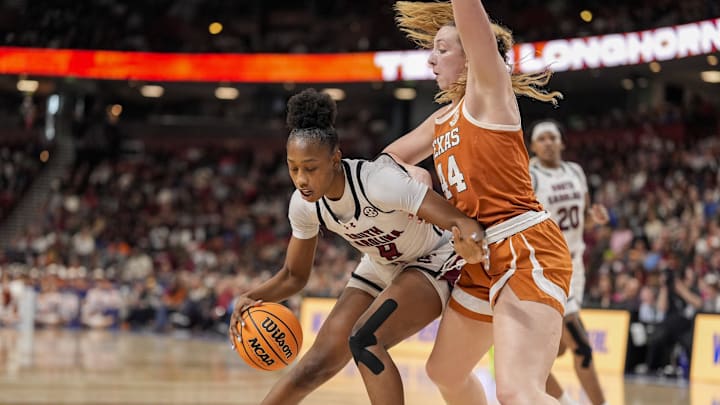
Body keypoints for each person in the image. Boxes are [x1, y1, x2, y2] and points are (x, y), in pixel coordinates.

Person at [228, 88, 485, 405]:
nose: (301, 179)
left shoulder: (378, 182)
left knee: (365, 339)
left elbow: (460, 222)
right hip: (381, 265)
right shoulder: (304, 205)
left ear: (335, 159)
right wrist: (252, 297)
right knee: (313, 367)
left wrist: (472, 244)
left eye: (310, 168)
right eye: (293, 168)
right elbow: (294, 275)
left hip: (432, 258)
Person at [381, 1, 572, 404]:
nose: (431, 58)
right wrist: (419, 180)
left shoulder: (488, 92)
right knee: (445, 372)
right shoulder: (440, 121)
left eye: (443, 49)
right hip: (477, 254)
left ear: (472, 55)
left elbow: (469, 11)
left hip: (524, 247)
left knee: (517, 392)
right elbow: (390, 162)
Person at [528, 120, 610, 405]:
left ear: (562, 142)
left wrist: (594, 219)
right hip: (547, 268)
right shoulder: (529, 175)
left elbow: (584, 217)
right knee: (582, 347)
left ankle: (532, 379)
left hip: (576, 266)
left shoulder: (575, 171)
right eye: (542, 138)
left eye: (553, 137)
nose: (548, 142)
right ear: (533, 146)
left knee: (555, 350)